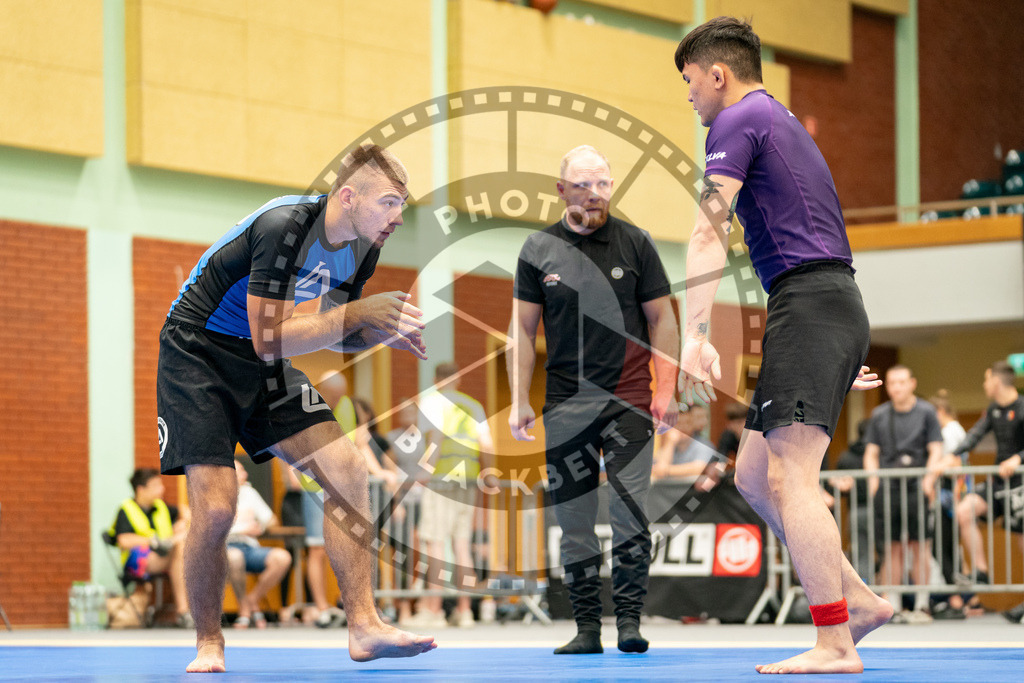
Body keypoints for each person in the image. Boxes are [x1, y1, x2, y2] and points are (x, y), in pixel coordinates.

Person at [156, 143, 435, 672]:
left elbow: (337, 329)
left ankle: (364, 626)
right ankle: (209, 641)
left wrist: (377, 333)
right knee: (216, 508)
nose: (398, 218)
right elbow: (270, 339)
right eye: (389, 203)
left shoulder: (363, 244)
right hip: (198, 351)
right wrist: (359, 311)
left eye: (403, 204)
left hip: (264, 356)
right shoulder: (285, 226)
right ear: (348, 196)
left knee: (348, 469)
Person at [673, 17, 891, 674]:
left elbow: (708, 233)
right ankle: (857, 599)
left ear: (718, 74)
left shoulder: (737, 120)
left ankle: (834, 640)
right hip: (815, 305)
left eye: (689, 82)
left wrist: (696, 334)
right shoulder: (777, 119)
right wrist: (828, 350)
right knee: (751, 475)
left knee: (789, 477)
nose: (690, 97)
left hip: (812, 301)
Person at [508, 145, 679, 655]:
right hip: (564, 405)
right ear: (561, 190)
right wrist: (520, 399)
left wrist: (666, 389)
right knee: (575, 522)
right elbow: (521, 329)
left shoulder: (635, 243)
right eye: (584, 185)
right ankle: (586, 629)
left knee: (630, 515)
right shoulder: (538, 249)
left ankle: (629, 623)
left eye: (603, 184)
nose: (595, 193)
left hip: (628, 400)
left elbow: (663, 319)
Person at [414, 362, 496, 628]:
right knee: (462, 546)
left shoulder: (431, 402)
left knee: (435, 544)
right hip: (468, 479)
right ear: (457, 380)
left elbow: (435, 440)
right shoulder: (473, 405)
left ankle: (434, 611)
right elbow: (486, 443)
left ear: (437, 379)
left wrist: (424, 471)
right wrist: (490, 473)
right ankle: (464, 611)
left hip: (441, 480)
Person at [862, 365, 943, 623]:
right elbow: (871, 453)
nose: (896, 387)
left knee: (920, 545)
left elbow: (936, 450)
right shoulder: (879, 415)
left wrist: (930, 479)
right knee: (892, 547)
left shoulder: (927, 412)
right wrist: (874, 481)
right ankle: (893, 604)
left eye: (901, 382)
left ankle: (921, 603)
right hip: (888, 487)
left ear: (912, 383)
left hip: (918, 485)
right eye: (892, 383)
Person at [952, 360, 1024, 623]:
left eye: (985, 379)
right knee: (965, 510)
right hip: (998, 482)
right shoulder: (993, 410)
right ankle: (981, 571)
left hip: (1021, 483)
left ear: (996, 381)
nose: (984, 385)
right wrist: (952, 455)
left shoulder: (1023, 406)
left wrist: (1018, 459)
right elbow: (974, 435)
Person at [109, 468, 191, 627]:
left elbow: (184, 510)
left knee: (183, 547)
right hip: (137, 562)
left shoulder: (161, 506)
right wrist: (153, 541)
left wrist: (184, 522)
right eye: (155, 485)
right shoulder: (126, 509)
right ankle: (183, 611)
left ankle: (187, 611)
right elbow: (123, 540)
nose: (162, 489)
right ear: (141, 489)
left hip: (163, 555)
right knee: (180, 549)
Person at [225, 460, 291, 629]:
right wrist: (240, 531)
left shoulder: (249, 493)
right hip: (226, 549)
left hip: (250, 548)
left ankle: (252, 600)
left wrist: (259, 528)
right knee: (234, 557)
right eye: (240, 471)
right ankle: (244, 609)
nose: (245, 475)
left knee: (282, 558)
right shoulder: (216, 496)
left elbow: (272, 521)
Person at [926, 390, 969, 619]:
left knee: (942, 547)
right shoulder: (957, 429)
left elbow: (952, 461)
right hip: (951, 495)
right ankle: (962, 598)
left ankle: (956, 599)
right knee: (949, 548)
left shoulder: (950, 431)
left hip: (948, 496)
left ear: (939, 412)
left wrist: (933, 474)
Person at [385, 400, 428, 626]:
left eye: (411, 411)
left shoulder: (426, 439)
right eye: (403, 411)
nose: (407, 415)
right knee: (400, 552)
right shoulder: (392, 438)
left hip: (422, 502)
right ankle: (399, 605)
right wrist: (395, 502)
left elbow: (432, 467)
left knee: (421, 551)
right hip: (401, 503)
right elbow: (388, 468)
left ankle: (420, 603)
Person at [826, 420, 873, 582]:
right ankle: (886, 592)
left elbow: (837, 488)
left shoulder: (846, 457)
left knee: (861, 552)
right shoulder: (878, 455)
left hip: (856, 510)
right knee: (888, 550)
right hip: (881, 510)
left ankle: (865, 584)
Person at [653, 405, 718, 480]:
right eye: (678, 423)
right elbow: (658, 470)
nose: (683, 427)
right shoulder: (669, 446)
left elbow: (698, 469)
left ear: (693, 425)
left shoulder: (704, 445)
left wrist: (666, 470)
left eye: (687, 423)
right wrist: (670, 443)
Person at [716, 402, 747, 467]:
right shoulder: (728, 435)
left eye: (740, 422)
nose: (737, 427)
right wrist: (718, 469)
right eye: (733, 423)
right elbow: (721, 458)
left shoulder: (755, 436)